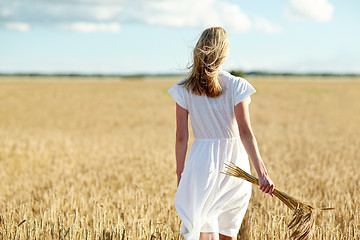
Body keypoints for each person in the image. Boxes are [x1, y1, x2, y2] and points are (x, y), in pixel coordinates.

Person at [167, 27, 274, 240]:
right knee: (228, 232)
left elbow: (181, 136)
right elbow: (245, 133)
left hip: (201, 164)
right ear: (224, 53)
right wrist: (261, 173)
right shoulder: (237, 85)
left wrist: (181, 173)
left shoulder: (184, 88)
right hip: (235, 166)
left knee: (205, 230)